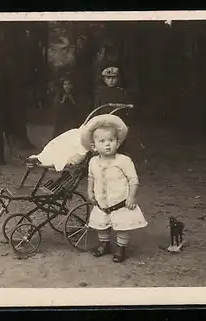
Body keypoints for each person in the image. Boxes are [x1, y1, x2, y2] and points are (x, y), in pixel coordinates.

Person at [80, 114, 148, 263]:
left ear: (117, 143)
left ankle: (121, 248)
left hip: (120, 202)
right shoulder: (93, 162)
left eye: (111, 140)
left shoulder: (124, 161)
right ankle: (104, 244)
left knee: (122, 225)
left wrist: (131, 197)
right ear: (94, 146)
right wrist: (90, 191)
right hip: (102, 202)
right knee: (101, 224)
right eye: (102, 141)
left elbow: (133, 179)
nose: (107, 144)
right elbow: (91, 177)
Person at [94, 66, 134, 154]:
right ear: (104, 79)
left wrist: (127, 124)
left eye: (113, 78)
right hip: (103, 122)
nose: (111, 80)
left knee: (118, 144)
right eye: (108, 78)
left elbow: (127, 110)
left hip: (118, 123)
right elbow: (96, 109)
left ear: (118, 79)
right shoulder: (100, 93)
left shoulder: (122, 93)